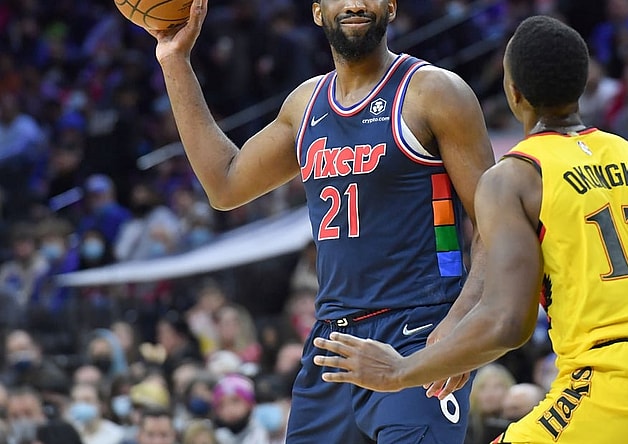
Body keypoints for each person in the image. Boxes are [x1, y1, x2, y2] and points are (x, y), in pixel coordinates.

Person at [313, 15, 628, 443]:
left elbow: (508, 323)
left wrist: (401, 371)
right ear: (580, 86)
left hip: (619, 384)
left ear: (513, 91)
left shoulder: (515, 177)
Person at [147, 0, 494, 442]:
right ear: (316, 11)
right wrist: (175, 62)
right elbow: (225, 184)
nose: (354, 3)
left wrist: (461, 325)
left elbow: (492, 224)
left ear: (391, 6)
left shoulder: (434, 92)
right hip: (332, 342)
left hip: (418, 331)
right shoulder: (306, 104)